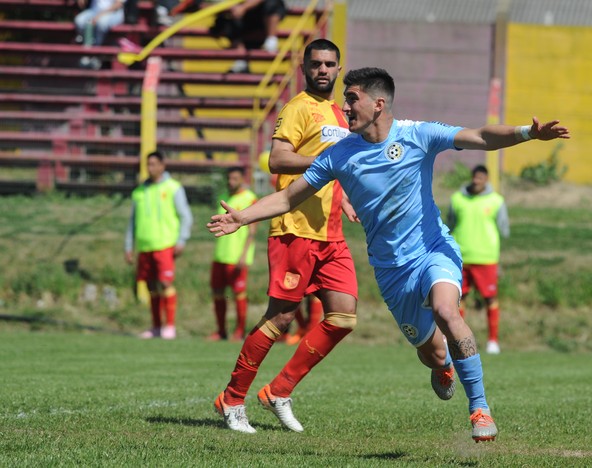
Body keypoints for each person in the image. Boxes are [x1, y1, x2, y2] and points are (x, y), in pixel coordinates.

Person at [208, 67, 570, 442]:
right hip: (392, 273)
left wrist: (527, 133)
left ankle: (480, 409)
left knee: (448, 311)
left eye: (352, 99)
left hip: (433, 251)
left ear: (378, 105)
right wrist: (242, 217)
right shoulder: (340, 155)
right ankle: (443, 363)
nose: (345, 107)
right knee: (431, 353)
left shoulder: (418, 134)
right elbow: (287, 196)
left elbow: (478, 135)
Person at [211, 39, 359, 434]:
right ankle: (232, 397)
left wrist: (344, 200)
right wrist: (327, 162)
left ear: (339, 69)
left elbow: (337, 171)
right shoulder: (296, 108)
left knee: (343, 317)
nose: (323, 70)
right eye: (316, 64)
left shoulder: (341, 114)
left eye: (330, 64)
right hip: (293, 228)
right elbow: (278, 159)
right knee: (280, 318)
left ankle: (279, 390)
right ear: (304, 68)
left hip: (331, 232)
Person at [125, 151, 193, 340]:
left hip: (165, 244)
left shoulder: (173, 188)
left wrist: (181, 240)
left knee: (165, 283)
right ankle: (156, 327)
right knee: (151, 286)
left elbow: (185, 215)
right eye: (148, 164)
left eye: (154, 164)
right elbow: (132, 221)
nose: (151, 168)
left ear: (163, 165)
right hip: (145, 246)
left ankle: (169, 326)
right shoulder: (139, 191)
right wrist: (128, 245)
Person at [447, 165, 510, 355]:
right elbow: (449, 224)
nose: (477, 181)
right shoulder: (457, 199)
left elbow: (504, 229)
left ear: (487, 179)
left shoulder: (496, 201)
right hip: (460, 257)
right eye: (475, 177)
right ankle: (457, 341)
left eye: (481, 177)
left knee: (490, 298)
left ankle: (493, 341)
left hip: (486, 258)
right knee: (459, 299)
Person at [208, 167, 258, 342]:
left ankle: (239, 331)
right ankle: (221, 331)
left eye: (235, 178)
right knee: (217, 292)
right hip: (221, 255)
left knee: (239, 293)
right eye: (229, 178)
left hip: (237, 257)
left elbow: (252, 231)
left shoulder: (248, 198)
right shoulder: (225, 198)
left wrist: (244, 256)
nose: (231, 182)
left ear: (242, 179)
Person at [208, 0, 286, 73]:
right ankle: (241, 59)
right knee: (222, 23)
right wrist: (231, 7)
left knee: (273, 3)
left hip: (260, 17)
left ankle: (271, 41)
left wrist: (243, 7)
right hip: (243, 21)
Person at [74, 0, 125, 69]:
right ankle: (87, 49)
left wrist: (100, 15)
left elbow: (118, 4)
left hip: (113, 13)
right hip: (93, 11)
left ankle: (96, 53)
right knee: (80, 21)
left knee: (101, 24)